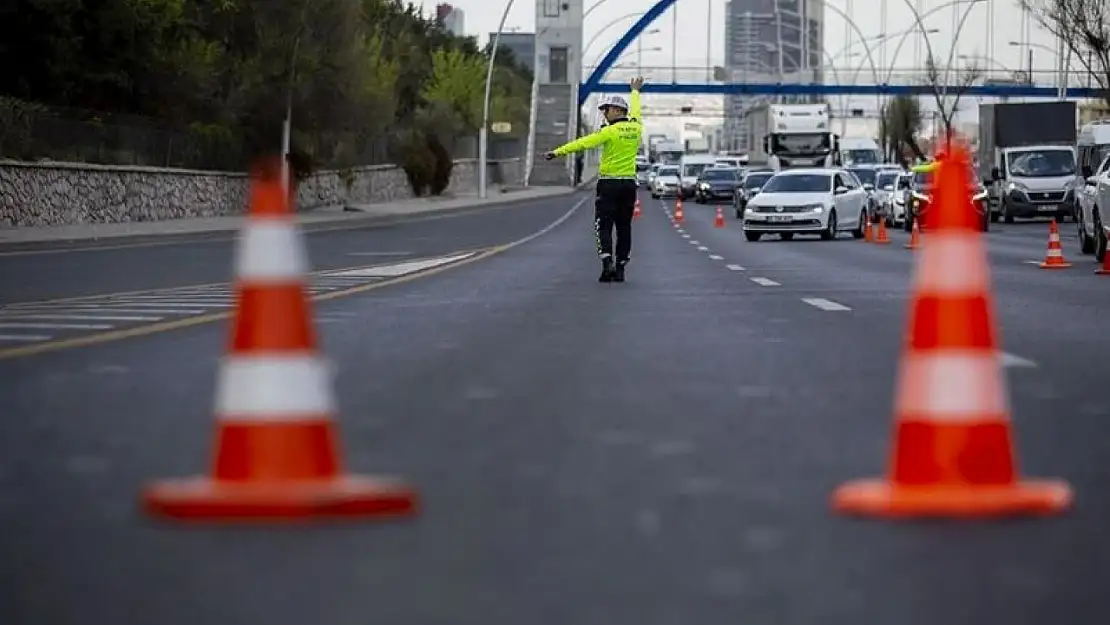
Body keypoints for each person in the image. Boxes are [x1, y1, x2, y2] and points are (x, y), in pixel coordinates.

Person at [545, 77, 644, 283]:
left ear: (616, 111)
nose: (604, 114)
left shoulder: (608, 132)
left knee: (603, 225)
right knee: (624, 226)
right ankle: (621, 267)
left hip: (609, 184)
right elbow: (636, 111)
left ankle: (607, 261)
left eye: (606, 110)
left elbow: (583, 143)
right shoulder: (636, 128)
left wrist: (557, 152)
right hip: (628, 185)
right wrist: (635, 91)